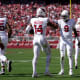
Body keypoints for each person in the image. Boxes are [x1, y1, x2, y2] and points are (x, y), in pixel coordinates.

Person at [26, 7, 57, 78]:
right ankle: (46, 71)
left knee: (35, 56)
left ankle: (34, 72)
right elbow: (55, 26)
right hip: (42, 38)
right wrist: (55, 24)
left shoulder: (33, 20)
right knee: (49, 54)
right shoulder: (45, 19)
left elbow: (27, 30)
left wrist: (34, 31)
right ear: (43, 12)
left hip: (35, 39)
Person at [52, 10, 80, 75]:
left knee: (70, 55)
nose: (63, 17)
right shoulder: (60, 21)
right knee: (62, 56)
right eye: (62, 16)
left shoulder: (72, 21)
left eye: (64, 16)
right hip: (62, 40)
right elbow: (53, 22)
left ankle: (71, 70)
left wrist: (78, 40)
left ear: (67, 16)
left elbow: (75, 31)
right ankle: (62, 70)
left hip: (69, 41)